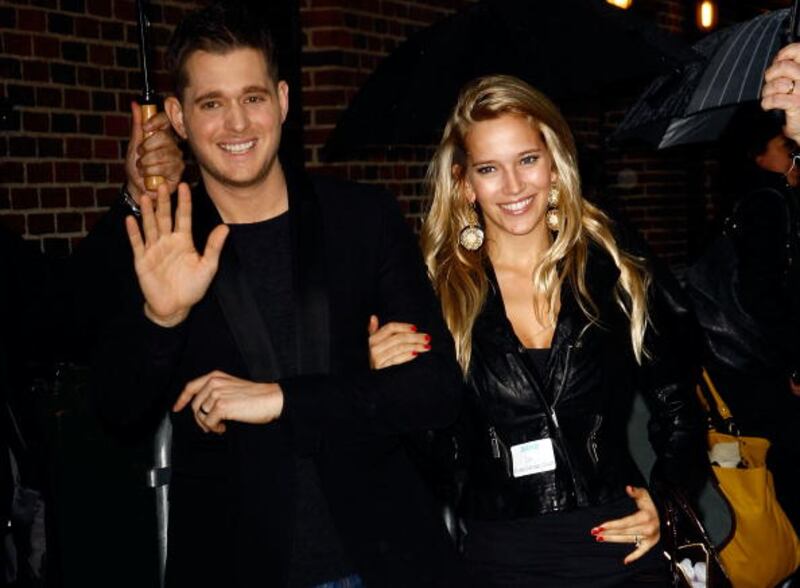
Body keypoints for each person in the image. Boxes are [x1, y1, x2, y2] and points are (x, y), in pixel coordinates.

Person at [76, 3, 462, 587]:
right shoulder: (159, 241)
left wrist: (279, 398)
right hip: (236, 564)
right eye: (212, 104)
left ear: (282, 101)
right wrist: (163, 317)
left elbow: (435, 391)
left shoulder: (362, 219)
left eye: (252, 98)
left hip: (385, 558)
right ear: (178, 117)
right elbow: (117, 413)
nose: (237, 124)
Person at [367, 75, 705, 587]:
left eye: (527, 159)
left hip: (622, 553)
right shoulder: (436, 293)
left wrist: (667, 499)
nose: (513, 186)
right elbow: (442, 464)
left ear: (554, 162)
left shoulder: (610, 264)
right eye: (489, 168)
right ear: (464, 183)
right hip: (502, 561)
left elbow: (678, 404)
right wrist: (395, 389)